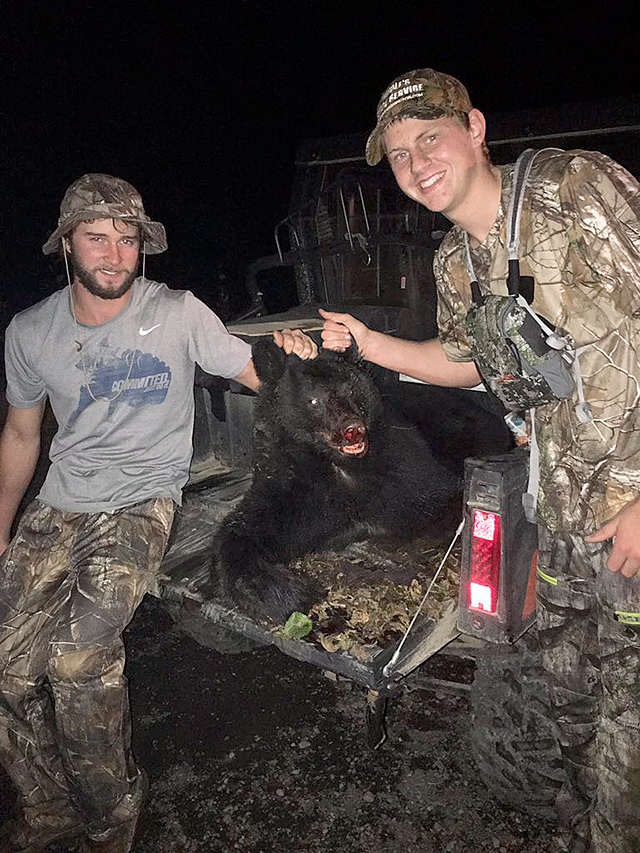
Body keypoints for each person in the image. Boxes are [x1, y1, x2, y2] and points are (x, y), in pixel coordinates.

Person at [321, 69, 640, 852]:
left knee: (631, 723)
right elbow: (463, 359)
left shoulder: (573, 189)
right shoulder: (457, 264)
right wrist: (366, 342)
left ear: (476, 128)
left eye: (430, 137)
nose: (415, 162)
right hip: (562, 514)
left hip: (633, 507)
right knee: (569, 703)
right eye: (397, 154)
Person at [0, 173, 316, 852]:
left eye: (127, 239)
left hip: (141, 502)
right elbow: (23, 434)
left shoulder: (177, 311)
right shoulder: (30, 331)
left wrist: (300, 366)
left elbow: (258, 373)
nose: (115, 255)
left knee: (78, 660)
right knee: (5, 665)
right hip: (59, 505)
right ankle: (47, 802)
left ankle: (111, 816)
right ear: (66, 246)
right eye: (97, 238)